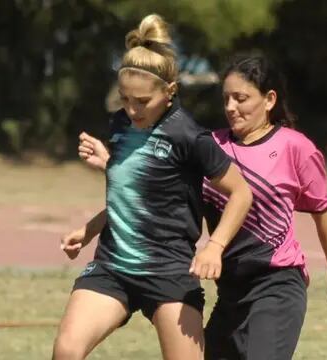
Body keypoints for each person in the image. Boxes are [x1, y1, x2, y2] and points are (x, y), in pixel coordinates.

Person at [77, 54, 327, 360]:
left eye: (241, 98)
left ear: (269, 99)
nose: (230, 107)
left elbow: (322, 215)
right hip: (230, 290)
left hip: (276, 284)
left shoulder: (296, 148)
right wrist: (108, 169)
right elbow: (156, 199)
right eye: (226, 98)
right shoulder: (209, 147)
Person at [52, 14, 253, 360]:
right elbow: (132, 194)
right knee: (67, 351)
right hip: (113, 268)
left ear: (170, 91)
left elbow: (241, 192)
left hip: (170, 271)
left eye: (142, 101)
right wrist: (89, 230)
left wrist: (214, 246)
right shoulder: (120, 124)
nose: (131, 110)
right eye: (125, 99)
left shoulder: (188, 136)